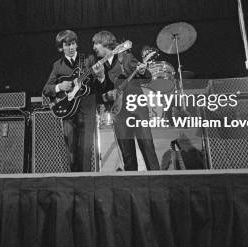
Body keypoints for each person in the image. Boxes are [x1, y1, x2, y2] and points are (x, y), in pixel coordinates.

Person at [93, 31, 160, 171]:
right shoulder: (101, 65)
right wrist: (101, 79)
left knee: (147, 149)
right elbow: (102, 92)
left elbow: (147, 78)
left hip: (137, 110)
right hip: (119, 113)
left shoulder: (126, 57)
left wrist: (142, 71)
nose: (94, 47)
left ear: (105, 43)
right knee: (127, 155)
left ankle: (157, 183)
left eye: (96, 43)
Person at [43, 30, 105, 172]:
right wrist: (59, 86)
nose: (71, 47)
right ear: (61, 47)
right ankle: (73, 185)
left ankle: (86, 186)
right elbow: (46, 89)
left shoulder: (89, 60)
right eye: (67, 45)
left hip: (87, 110)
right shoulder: (57, 65)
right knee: (71, 152)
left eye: (73, 44)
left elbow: (99, 86)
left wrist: (101, 76)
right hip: (68, 112)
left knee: (86, 151)